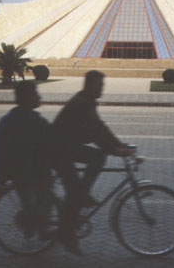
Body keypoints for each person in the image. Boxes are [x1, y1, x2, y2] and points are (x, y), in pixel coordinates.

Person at [48, 70, 132, 255]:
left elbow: (100, 128)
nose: (102, 88)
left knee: (97, 157)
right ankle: (67, 235)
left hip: (67, 148)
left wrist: (119, 145)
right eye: (99, 85)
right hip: (57, 152)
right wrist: (115, 150)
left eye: (102, 85)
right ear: (89, 85)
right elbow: (96, 134)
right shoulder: (82, 103)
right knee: (75, 192)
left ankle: (82, 194)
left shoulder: (87, 101)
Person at [0, 81, 52, 240]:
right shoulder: (37, 121)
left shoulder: (6, 120)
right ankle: (43, 231)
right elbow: (53, 143)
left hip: (16, 173)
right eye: (35, 94)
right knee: (45, 198)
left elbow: (0, 152)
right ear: (27, 98)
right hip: (37, 172)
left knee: (27, 202)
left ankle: (30, 227)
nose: (39, 96)